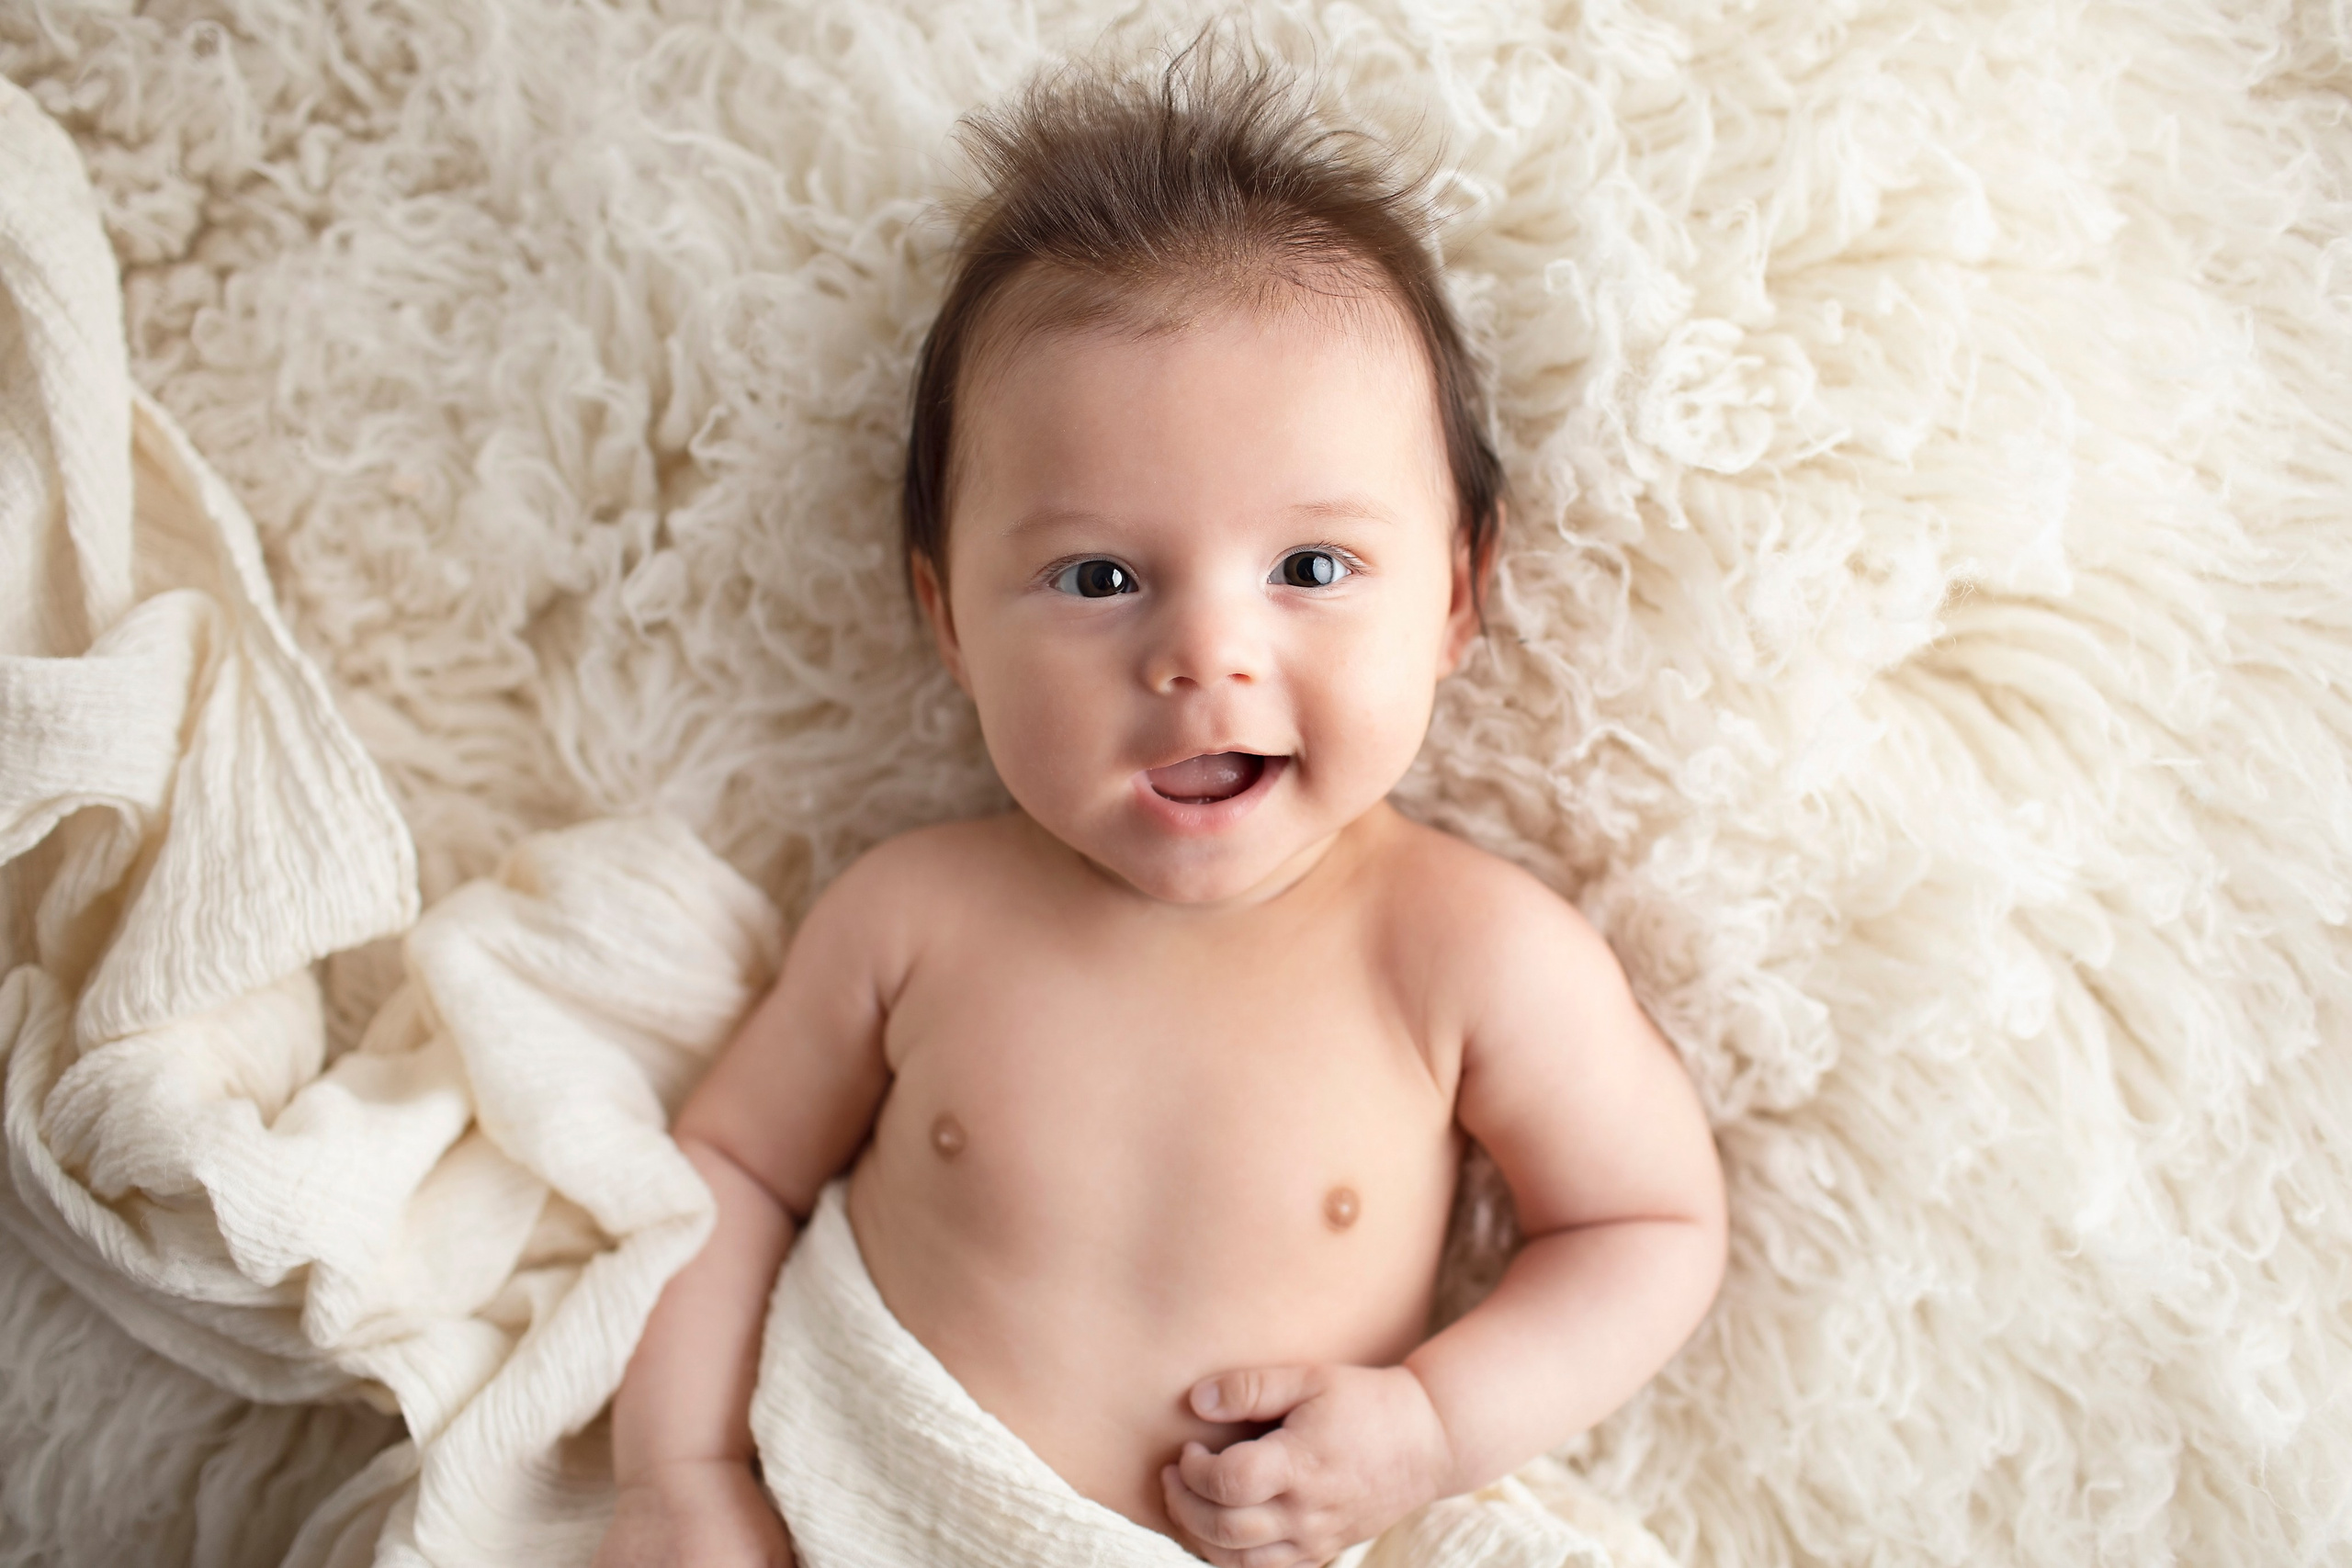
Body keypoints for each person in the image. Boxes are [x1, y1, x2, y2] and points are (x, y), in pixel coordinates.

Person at [593, 38, 1725, 1568]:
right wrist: (684, 1476)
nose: (1203, 654)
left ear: (1458, 598)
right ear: (947, 619)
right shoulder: (913, 915)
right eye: (1098, 577)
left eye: (1311, 570)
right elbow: (727, 1171)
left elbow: (1650, 1230)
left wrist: (1429, 1429)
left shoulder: (1460, 952)